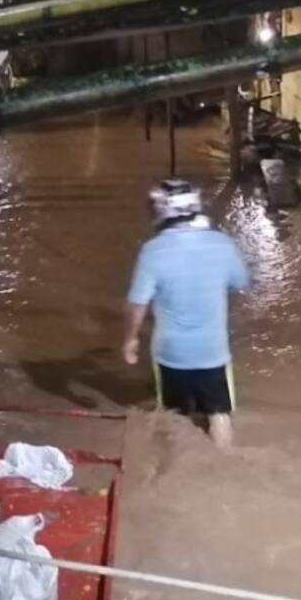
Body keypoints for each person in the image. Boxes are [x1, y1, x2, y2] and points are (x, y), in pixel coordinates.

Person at [124, 179, 250, 447]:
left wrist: (130, 339)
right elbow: (241, 282)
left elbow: (138, 303)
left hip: (171, 354)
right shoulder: (222, 244)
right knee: (219, 414)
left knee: (174, 417)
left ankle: (174, 467)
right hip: (212, 351)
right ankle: (225, 465)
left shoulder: (152, 252)